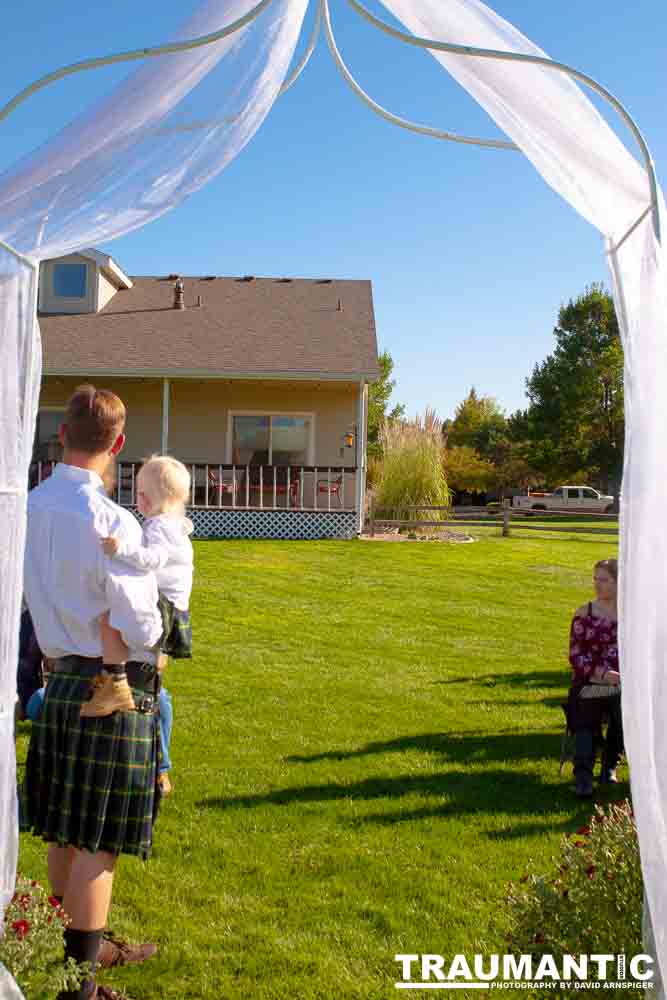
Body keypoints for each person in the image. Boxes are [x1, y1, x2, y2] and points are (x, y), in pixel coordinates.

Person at [22, 385, 165, 1000]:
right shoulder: (112, 520)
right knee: (100, 840)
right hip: (109, 687)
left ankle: (72, 958)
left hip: (56, 681)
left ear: (61, 437)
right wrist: (167, 623)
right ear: (118, 444)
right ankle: (78, 988)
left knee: (64, 831)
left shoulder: (25, 506)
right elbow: (139, 625)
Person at [95, 454, 194, 795]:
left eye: (139, 492)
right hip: (175, 612)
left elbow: (152, 560)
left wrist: (120, 549)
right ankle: (159, 767)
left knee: (147, 689)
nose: (137, 499)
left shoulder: (157, 527)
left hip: (161, 612)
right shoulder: (178, 526)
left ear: (147, 498)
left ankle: (158, 767)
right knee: (154, 689)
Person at [567, 558, 623, 799]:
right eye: (595, 579)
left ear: (619, 582)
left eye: (604, 580)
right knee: (586, 715)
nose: (598, 585)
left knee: (624, 713)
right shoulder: (584, 613)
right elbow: (575, 656)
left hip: (622, 686)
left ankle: (609, 767)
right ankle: (583, 776)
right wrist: (601, 674)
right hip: (589, 684)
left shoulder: (631, 617)